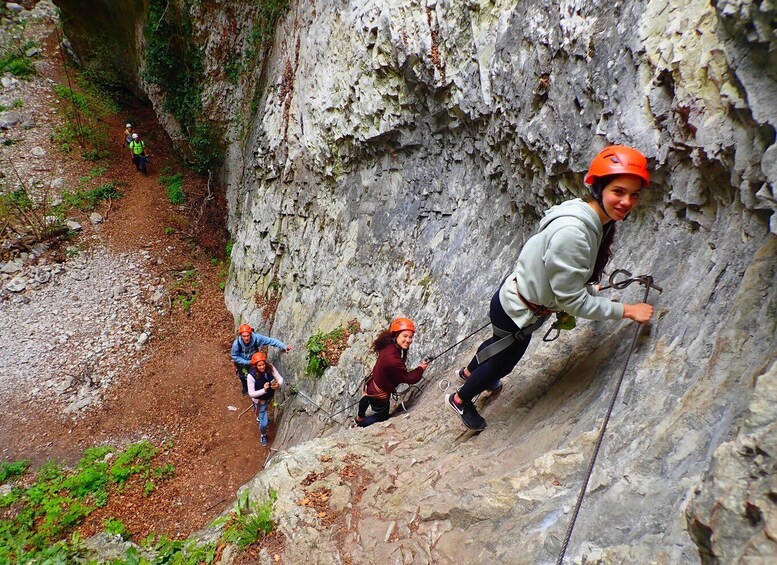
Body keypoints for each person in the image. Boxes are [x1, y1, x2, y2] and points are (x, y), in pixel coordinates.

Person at [446, 145, 655, 432]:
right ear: (600, 188)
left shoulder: (587, 216)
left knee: (497, 342)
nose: (627, 201)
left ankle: (469, 371)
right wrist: (627, 310)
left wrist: (584, 286)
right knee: (502, 363)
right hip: (520, 312)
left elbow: (563, 280)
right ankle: (461, 397)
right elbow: (573, 302)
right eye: (618, 192)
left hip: (512, 300)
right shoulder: (575, 233)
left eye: (634, 194)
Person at [355, 317, 430, 427]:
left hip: (372, 383)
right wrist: (421, 368)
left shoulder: (388, 344)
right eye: (405, 336)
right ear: (396, 335)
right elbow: (409, 378)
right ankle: (361, 424)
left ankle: (359, 417)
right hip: (379, 393)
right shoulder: (393, 360)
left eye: (410, 337)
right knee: (382, 416)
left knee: (367, 396)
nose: (408, 340)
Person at [231, 323, 291, 395]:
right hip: (242, 363)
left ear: (251, 334)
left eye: (248, 336)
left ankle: (258, 390)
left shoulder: (257, 339)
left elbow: (271, 341)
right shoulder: (237, 344)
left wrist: (284, 346)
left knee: (256, 375)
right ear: (241, 336)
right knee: (242, 375)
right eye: (244, 336)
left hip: (255, 361)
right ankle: (245, 388)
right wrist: (247, 362)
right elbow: (234, 356)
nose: (246, 338)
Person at [247, 351, 284, 446]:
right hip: (260, 401)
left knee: (264, 413)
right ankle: (263, 435)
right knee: (264, 423)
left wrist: (278, 384)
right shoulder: (251, 376)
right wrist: (264, 390)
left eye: (263, 364)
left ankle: (261, 417)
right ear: (255, 366)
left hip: (269, 397)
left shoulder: (270, 368)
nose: (262, 367)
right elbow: (251, 393)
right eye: (259, 365)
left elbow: (280, 378)